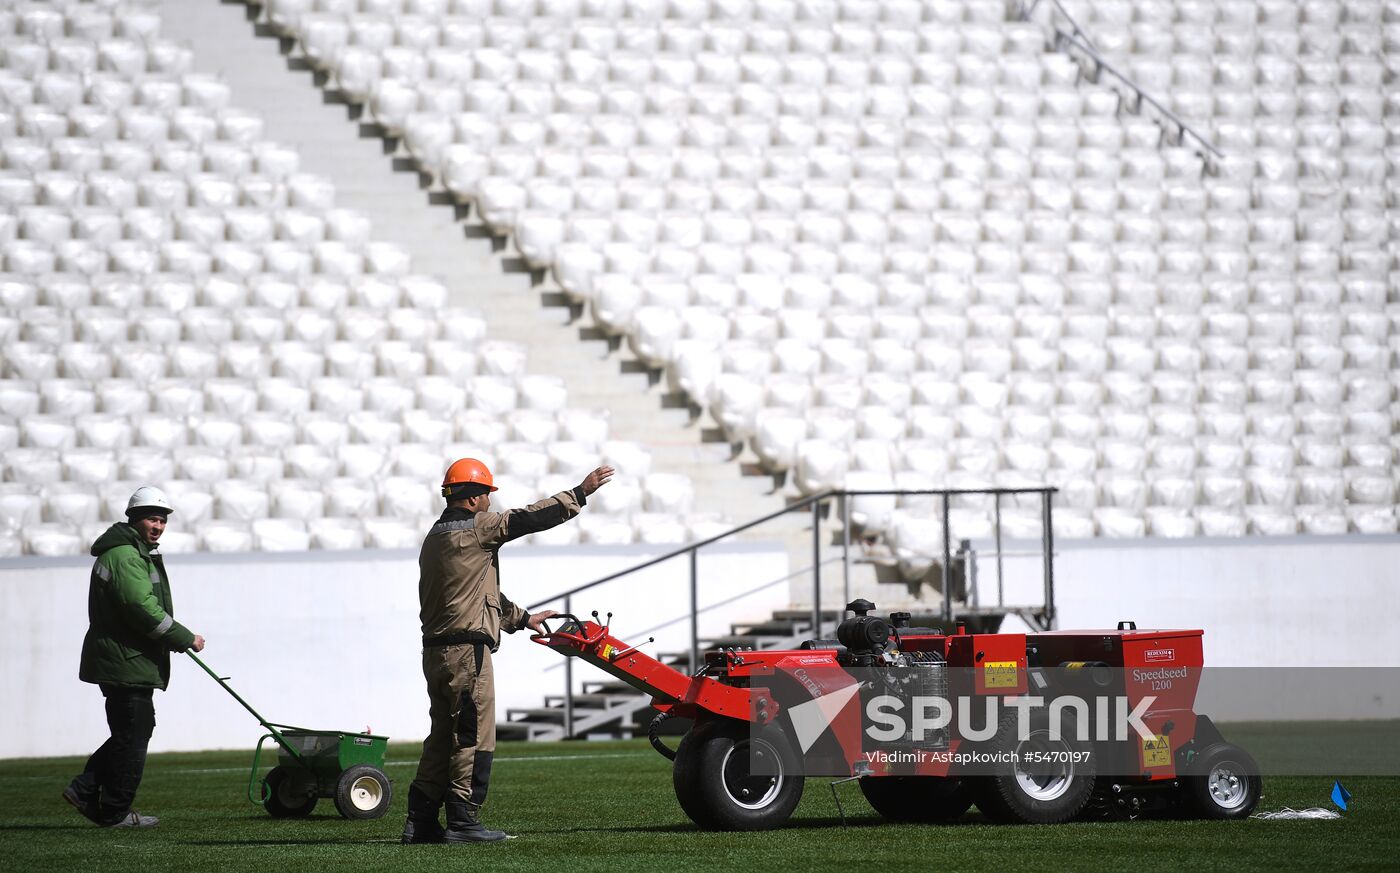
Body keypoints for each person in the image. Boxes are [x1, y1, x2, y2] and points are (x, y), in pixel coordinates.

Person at [403, 457, 614, 844]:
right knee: (473, 735)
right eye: (486, 494)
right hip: (467, 653)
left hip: (435, 653)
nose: (489, 502)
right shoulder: (479, 528)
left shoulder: (434, 538)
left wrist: (523, 618)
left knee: (441, 737)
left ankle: (420, 820)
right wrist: (580, 493)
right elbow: (530, 518)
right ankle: (464, 820)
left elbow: (476, 592)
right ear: (472, 498)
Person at [64, 486, 205, 829]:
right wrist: (184, 638)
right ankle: (112, 810)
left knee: (132, 732)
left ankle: (85, 790)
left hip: (125, 659)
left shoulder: (129, 553)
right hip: (125, 661)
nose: (157, 526)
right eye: (151, 519)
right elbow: (141, 609)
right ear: (134, 520)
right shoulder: (126, 556)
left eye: (161, 520)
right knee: (133, 735)